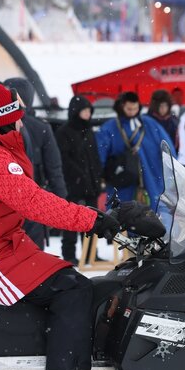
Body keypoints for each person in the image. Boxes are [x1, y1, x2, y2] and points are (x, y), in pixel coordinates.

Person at [0, 80, 154, 370]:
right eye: (19, 116)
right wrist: (91, 220)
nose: (23, 122)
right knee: (73, 289)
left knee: (68, 280)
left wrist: (86, 213)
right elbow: (34, 203)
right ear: (6, 118)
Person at [4, 78, 68, 249]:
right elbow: (54, 169)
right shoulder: (41, 128)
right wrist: (60, 203)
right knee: (33, 260)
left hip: (4, 205)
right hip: (33, 201)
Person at [97, 91, 175, 209]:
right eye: (129, 109)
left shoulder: (149, 124)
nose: (133, 112)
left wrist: (173, 168)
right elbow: (99, 155)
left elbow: (168, 149)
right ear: (122, 106)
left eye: (135, 108)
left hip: (150, 179)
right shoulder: (109, 128)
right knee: (120, 215)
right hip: (121, 180)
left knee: (150, 216)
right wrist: (99, 176)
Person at [55, 94, 103, 264]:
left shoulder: (88, 131)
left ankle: (90, 253)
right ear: (76, 111)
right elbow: (64, 159)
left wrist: (97, 178)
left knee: (92, 220)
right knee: (71, 220)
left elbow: (95, 158)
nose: (88, 114)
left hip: (91, 184)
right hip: (72, 185)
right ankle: (68, 254)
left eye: (89, 110)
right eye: (84, 110)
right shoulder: (64, 132)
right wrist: (79, 176)